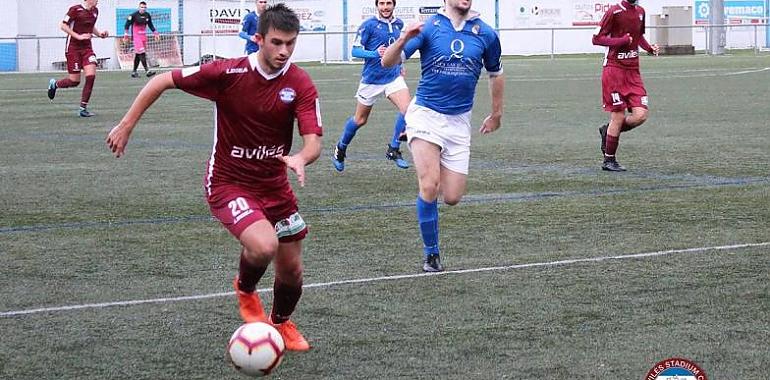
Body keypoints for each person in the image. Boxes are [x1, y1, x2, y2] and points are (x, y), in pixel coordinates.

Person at [106, 3, 321, 352]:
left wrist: (301, 157)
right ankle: (246, 289)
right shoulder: (227, 73)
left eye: (290, 44)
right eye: (277, 42)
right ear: (259, 39)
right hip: (228, 181)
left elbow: (314, 142)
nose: (284, 51)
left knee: (293, 271)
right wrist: (126, 125)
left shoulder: (299, 82)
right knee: (264, 244)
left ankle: (279, 324)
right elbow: (163, 80)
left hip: (274, 185)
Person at [381, 0, 504, 272]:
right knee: (429, 186)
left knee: (452, 196)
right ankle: (431, 255)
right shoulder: (428, 27)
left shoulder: (485, 33)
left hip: (460, 122)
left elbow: (496, 74)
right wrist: (403, 38)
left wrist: (496, 114)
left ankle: (432, 245)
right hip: (425, 115)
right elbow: (387, 61)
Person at [331, 0, 411, 171]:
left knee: (408, 109)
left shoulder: (399, 24)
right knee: (360, 120)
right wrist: (374, 54)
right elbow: (355, 51)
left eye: (388, 3)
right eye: (381, 3)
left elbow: (397, 48)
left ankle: (394, 149)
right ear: (377, 5)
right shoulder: (368, 26)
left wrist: (400, 65)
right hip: (372, 80)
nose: (385, 7)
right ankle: (341, 148)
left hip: (393, 77)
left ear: (394, 5)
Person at [592, 0, 659, 171]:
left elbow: (638, 37)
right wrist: (621, 41)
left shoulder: (640, 12)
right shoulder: (614, 12)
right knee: (618, 117)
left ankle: (608, 132)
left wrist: (649, 48)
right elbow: (596, 39)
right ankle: (609, 160)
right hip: (614, 71)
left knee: (640, 115)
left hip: (633, 72)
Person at [47, 0, 109, 117]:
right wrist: (78, 36)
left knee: (91, 76)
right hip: (73, 48)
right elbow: (63, 25)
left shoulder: (95, 11)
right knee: (74, 81)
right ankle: (54, 84)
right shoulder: (75, 9)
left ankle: (83, 108)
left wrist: (100, 34)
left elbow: (91, 26)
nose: (98, 1)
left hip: (87, 49)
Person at [123, 1, 161, 78]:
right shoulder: (133, 15)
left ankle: (134, 72)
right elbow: (127, 25)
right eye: (141, 7)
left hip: (143, 37)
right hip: (136, 38)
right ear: (139, 7)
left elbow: (150, 25)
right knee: (142, 53)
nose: (143, 9)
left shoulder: (147, 15)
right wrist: (126, 36)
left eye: (144, 7)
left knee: (138, 55)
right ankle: (147, 71)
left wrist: (155, 33)